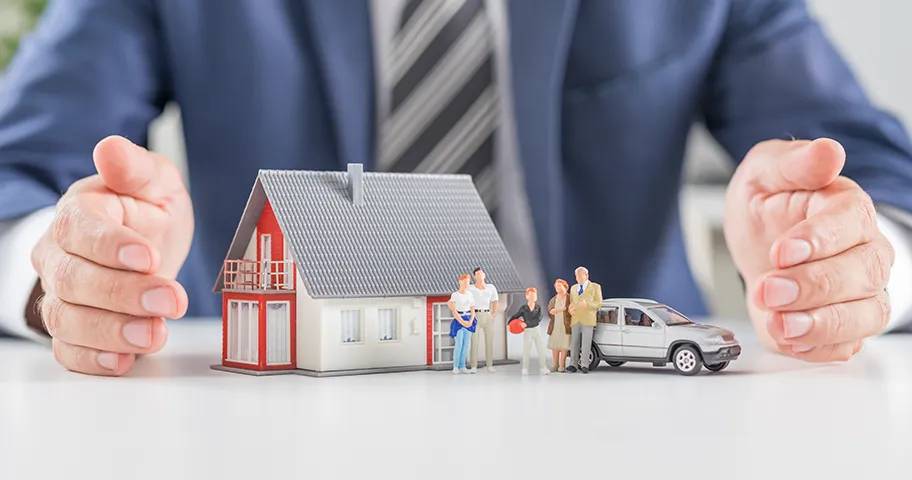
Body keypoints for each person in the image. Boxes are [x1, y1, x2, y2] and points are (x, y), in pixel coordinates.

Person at [0, 1, 910, 376]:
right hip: (261, 420)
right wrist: (69, 267)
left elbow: (869, 170)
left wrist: (837, 247)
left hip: (630, 425)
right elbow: (18, 174)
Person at [568, 267, 603, 374]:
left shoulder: (595, 287)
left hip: (588, 319)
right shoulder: (574, 288)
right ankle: (573, 364)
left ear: (587, 276)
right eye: (576, 276)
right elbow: (571, 302)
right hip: (576, 319)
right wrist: (570, 309)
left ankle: (584, 365)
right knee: (574, 343)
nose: (578, 278)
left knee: (586, 343)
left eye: (580, 275)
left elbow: (599, 303)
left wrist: (587, 305)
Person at [508, 287, 548, 375]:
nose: (533, 297)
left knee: (540, 349)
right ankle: (525, 368)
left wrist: (527, 323)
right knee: (526, 350)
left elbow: (539, 318)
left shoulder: (538, 307)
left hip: (536, 330)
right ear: (527, 296)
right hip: (527, 331)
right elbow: (516, 316)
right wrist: (509, 323)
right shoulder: (524, 308)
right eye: (531, 296)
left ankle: (543, 367)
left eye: (534, 296)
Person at [466, 267, 498, 373]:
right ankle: (473, 366)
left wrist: (493, 314)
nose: (480, 276)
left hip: (487, 314)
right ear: (474, 277)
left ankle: (490, 365)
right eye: (477, 274)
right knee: (474, 341)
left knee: (489, 340)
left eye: (481, 274)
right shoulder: (470, 289)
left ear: (484, 275)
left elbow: (495, 301)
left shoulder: (491, 288)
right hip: (475, 314)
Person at [447, 274, 477, 375]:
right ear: (460, 282)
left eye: (468, 282)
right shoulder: (455, 295)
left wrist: (471, 320)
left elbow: (473, 309)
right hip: (459, 320)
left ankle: (462, 365)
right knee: (458, 344)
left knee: (466, 345)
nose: (466, 284)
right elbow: (454, 311)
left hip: (468, 318)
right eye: (464, 282)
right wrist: (462, 322)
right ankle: (455, 366)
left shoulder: (470, 294)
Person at [546, 278, 572, 372]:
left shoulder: (570, 298)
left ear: (565, 286)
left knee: (564, 346)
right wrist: (560, 309)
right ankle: (555, 364)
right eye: (556, 286)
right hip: (555, 325)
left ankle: (562, 364)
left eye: (559, 286)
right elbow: (550, 311)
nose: (557, 288)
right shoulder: (554, 299)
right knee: (555, 346)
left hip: (566, 326)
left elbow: (572, 310)